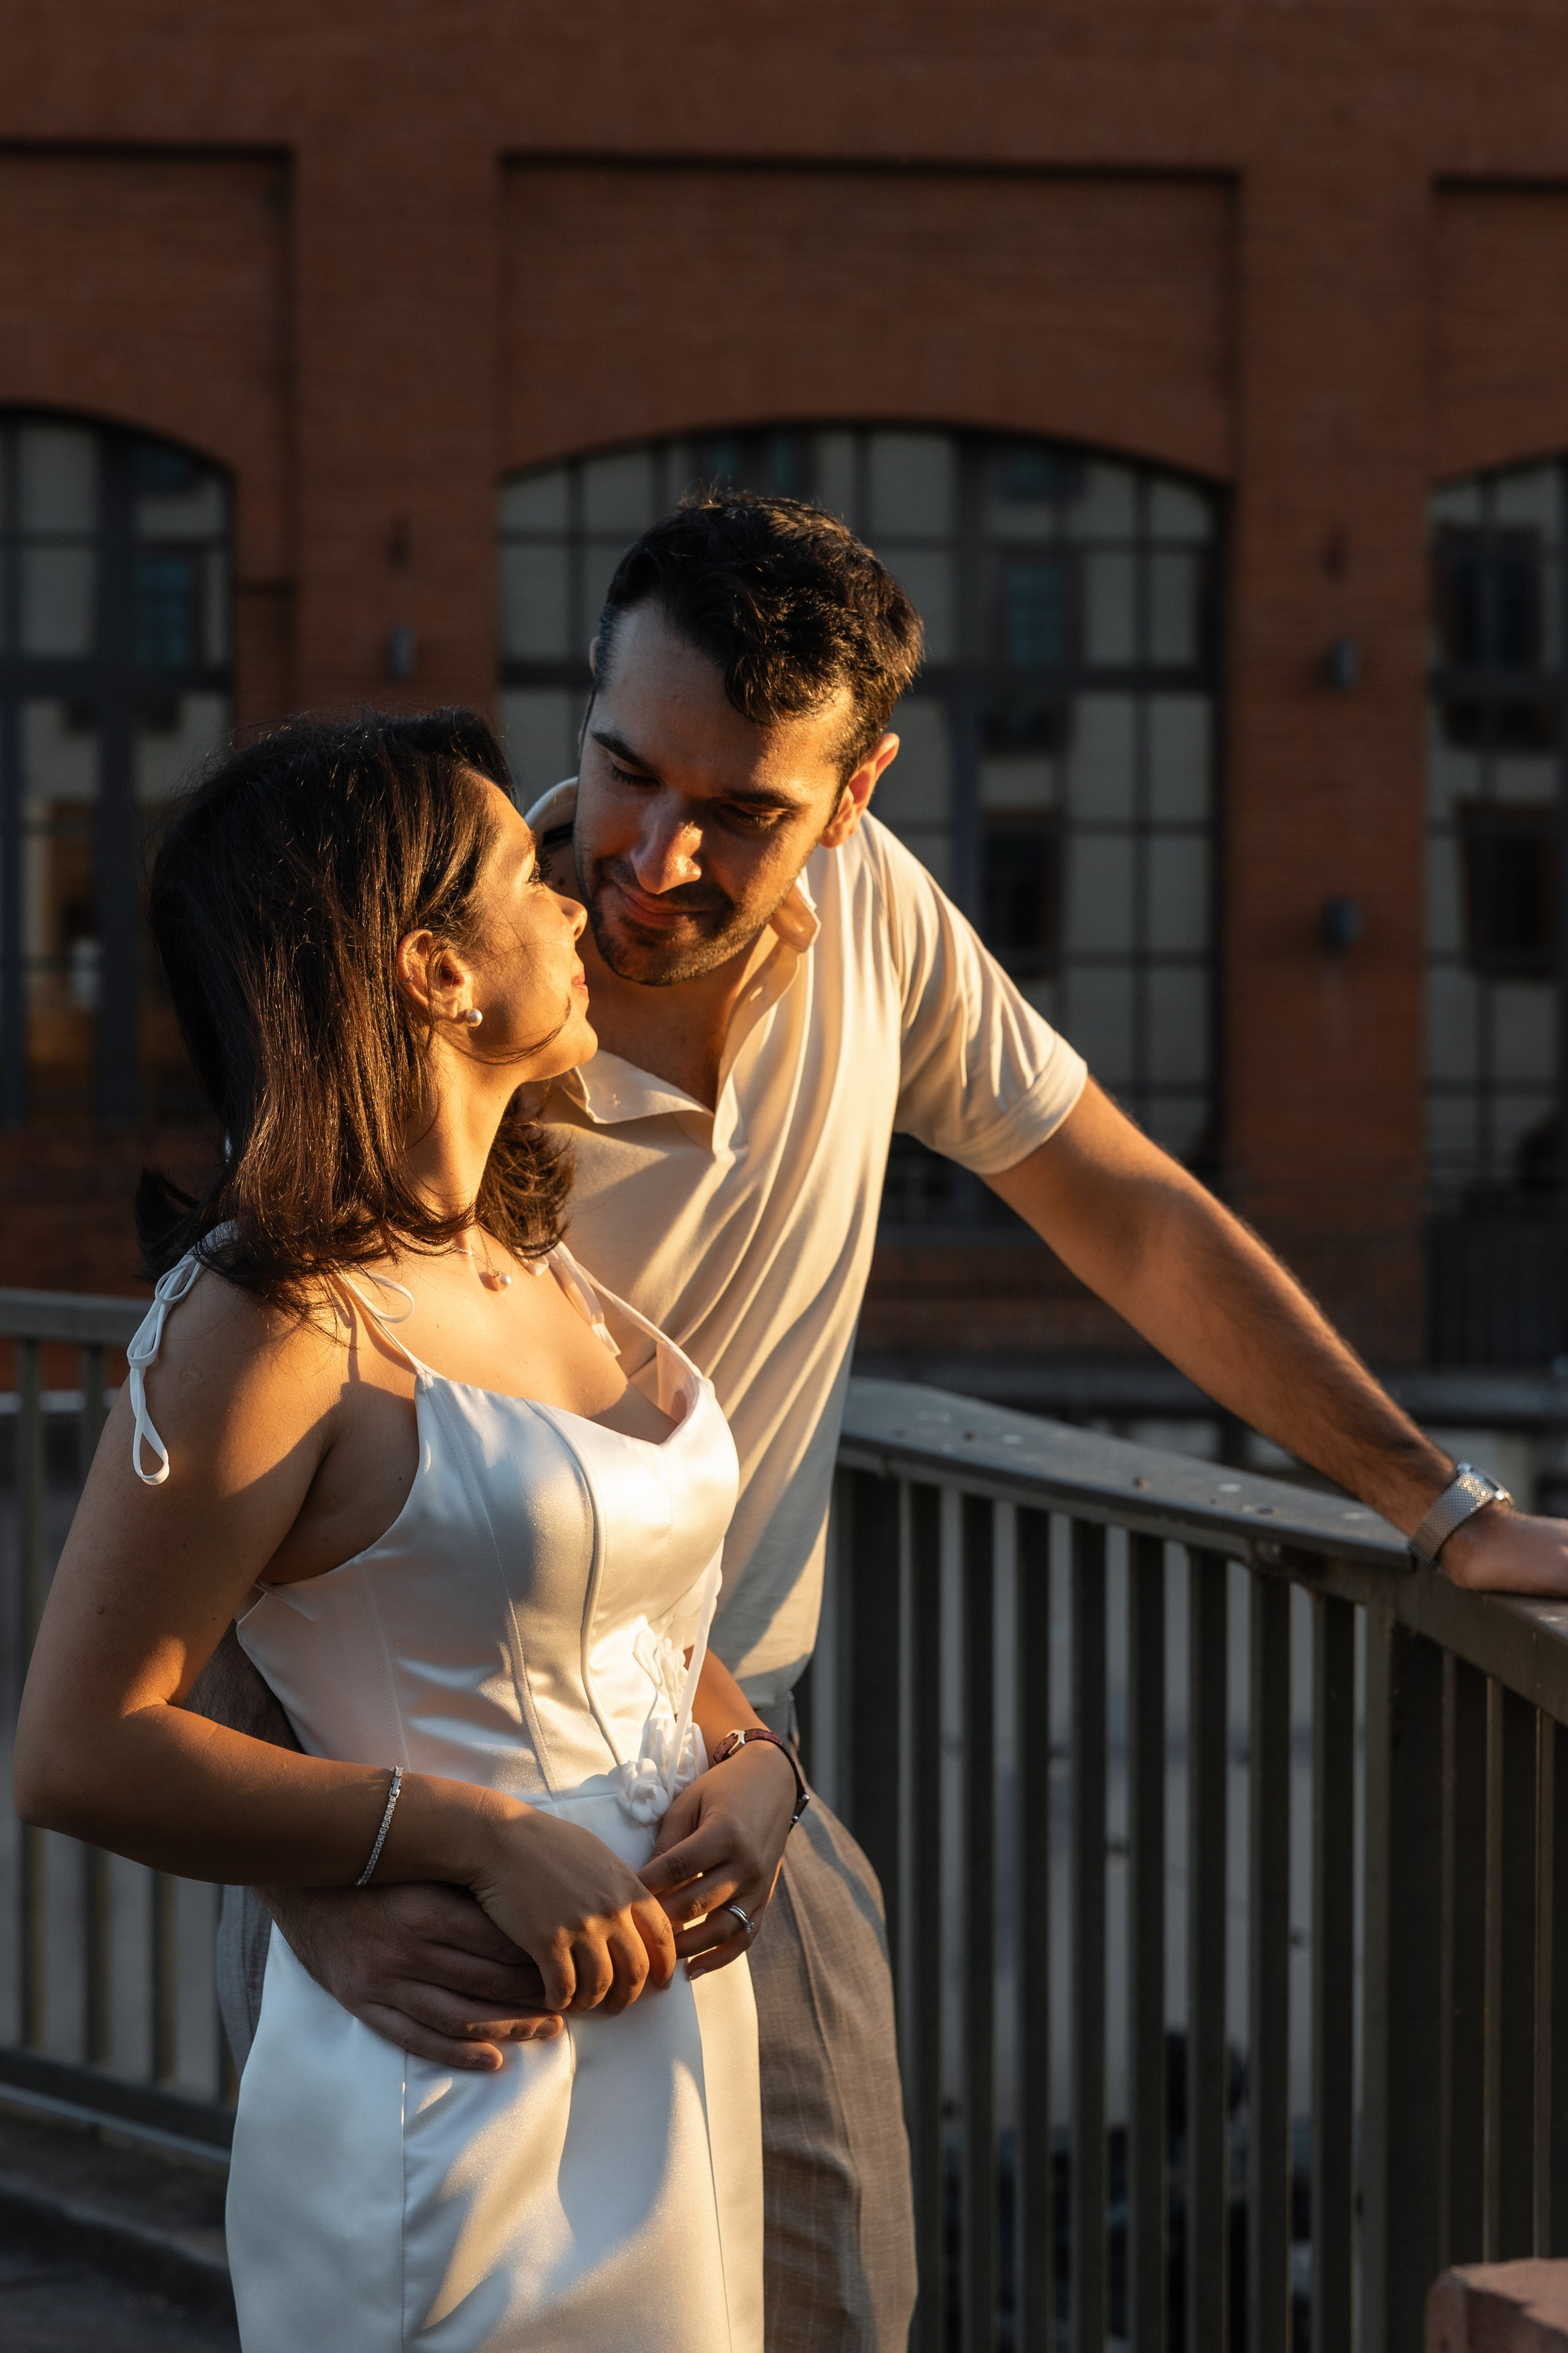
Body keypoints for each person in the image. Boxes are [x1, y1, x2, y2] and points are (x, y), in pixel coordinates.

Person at [195, 494, 1568, 2353]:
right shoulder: (442, 994)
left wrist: (1439, 1502)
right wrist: (319, 1887)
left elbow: (1124, 1204)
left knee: (837, 2302)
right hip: (395, 1811)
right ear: (584, 708)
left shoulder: (878, 916)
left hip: (732, 1769)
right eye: (622, 771)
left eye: (744, 810)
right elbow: (232, 1497)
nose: (656, 858)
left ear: (855, 796)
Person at [14, 711, 811, 2352]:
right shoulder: (269, 1317)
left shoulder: (536, 1260)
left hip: (668, 2048)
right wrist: (466, 1833)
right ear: (435, 970)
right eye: (531, 876)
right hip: (460, 2076)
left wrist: (762, 1766)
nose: (578, 903)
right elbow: (80, 1747)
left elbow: (633, 1627)